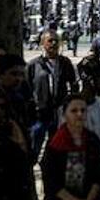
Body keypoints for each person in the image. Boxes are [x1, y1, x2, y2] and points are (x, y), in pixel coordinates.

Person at [40, 95, 100, 200]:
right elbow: (50, 180)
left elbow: (99, 174)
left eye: (83, 110)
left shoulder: (93, 140)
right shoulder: (55, 143)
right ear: (64, 114)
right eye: (74, 110)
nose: (79, 114)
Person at [27, 29, 77, 158]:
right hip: (39, 114)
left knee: (56, 146)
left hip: (59, 113)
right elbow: (26, 88)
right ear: (42, 43)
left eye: (56, 41)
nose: (53, 44)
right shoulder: (34, 65)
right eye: (50, 41)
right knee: (34, 145)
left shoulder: (65, 63)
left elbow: (73, 84)